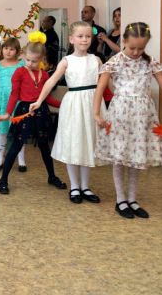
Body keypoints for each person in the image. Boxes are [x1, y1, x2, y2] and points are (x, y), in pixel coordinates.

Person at [94, 22, 162, 219]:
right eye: (132, 48)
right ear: (124, 41)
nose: (136, 52)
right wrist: (96, 114)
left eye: (141, 48)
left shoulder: (149, 62)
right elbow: (100, 87)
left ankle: (132, 199)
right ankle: (121, 200)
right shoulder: (114, 61)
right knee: (120, 157)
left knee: (137, 157)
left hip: (143, 116)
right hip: (120, 115)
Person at [30, 22, 107, 204]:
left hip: (93, 103)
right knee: (75, 143)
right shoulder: (66, 61)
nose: (84, 40)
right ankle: (74, 186)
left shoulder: (96, 60)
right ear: (71, 39)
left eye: (88, 36)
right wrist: (39, 100)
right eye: (80, 36)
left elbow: (107, 83)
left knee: (88, 144)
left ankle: (85, 187)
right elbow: (50, 82)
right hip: (74, 105)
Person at [0, 32, 66, 195]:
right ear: (24, 56)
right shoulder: (19, 72)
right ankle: (3, 180)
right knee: (16, 145)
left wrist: (64, 105)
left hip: (41, 112)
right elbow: (14, 94)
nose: (30, 63)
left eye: (34, 61)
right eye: (27, 60)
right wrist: (7, 113)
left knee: (44, 146)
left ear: (41, 59)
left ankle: (52, 176)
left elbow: (46, 97)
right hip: (24, 112)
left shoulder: (45, 74)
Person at [0, 37, 26, 171]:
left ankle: (21, 160)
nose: (8, 52)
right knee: (2, 131)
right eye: (6, 48)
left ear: (17, 52)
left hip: (18, 102)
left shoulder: (21, 65)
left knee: (19, 131)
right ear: (1, 50)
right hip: (2, 102)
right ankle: (0, 159)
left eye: (12, 49)